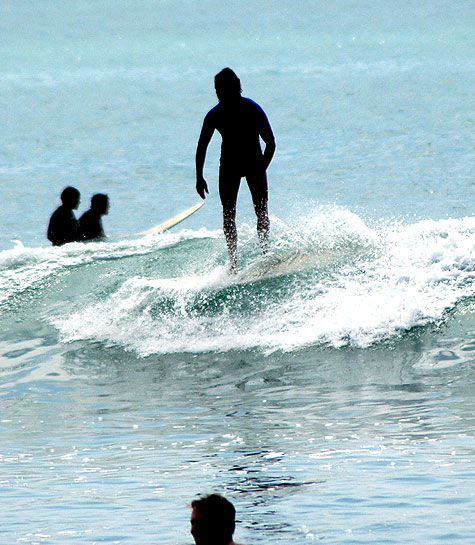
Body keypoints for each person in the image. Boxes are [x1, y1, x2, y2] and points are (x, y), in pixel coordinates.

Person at [196, 68, 276, 272]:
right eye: (216, 89)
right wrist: (199, 177)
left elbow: (271, 142)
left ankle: (264, 253)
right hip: (229, 167)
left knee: (261, 210)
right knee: (228, 214)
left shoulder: (252, 109)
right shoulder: (215, 114)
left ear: (234, 87)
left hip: (254, 163)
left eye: (221, 88)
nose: (218, 92)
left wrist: (262, 168)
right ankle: (233, 262)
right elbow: (202, 146)